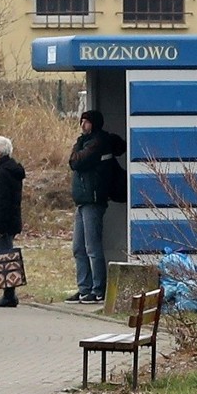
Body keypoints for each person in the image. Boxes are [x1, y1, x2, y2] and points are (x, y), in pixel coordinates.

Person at [66, 110, 113, 304]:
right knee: (78, 247)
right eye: (81, 121)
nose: (82, 125)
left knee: (92, 247)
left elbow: (77, 161)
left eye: (86, 122)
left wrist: (77, 149)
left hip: (93, 199)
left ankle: (98, 289)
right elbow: (73, 160)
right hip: (82, 199)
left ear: (93, 123)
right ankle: (84, 288)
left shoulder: (98, 142)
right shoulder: (84, 141)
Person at [0, 136, 25, 308]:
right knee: (3, 255)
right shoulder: (11, 170)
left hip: (4, 222)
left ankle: (9, 294)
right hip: (11, 220)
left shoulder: (2, 173)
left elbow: (1, 202)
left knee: (4, 257)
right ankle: (8, 293)